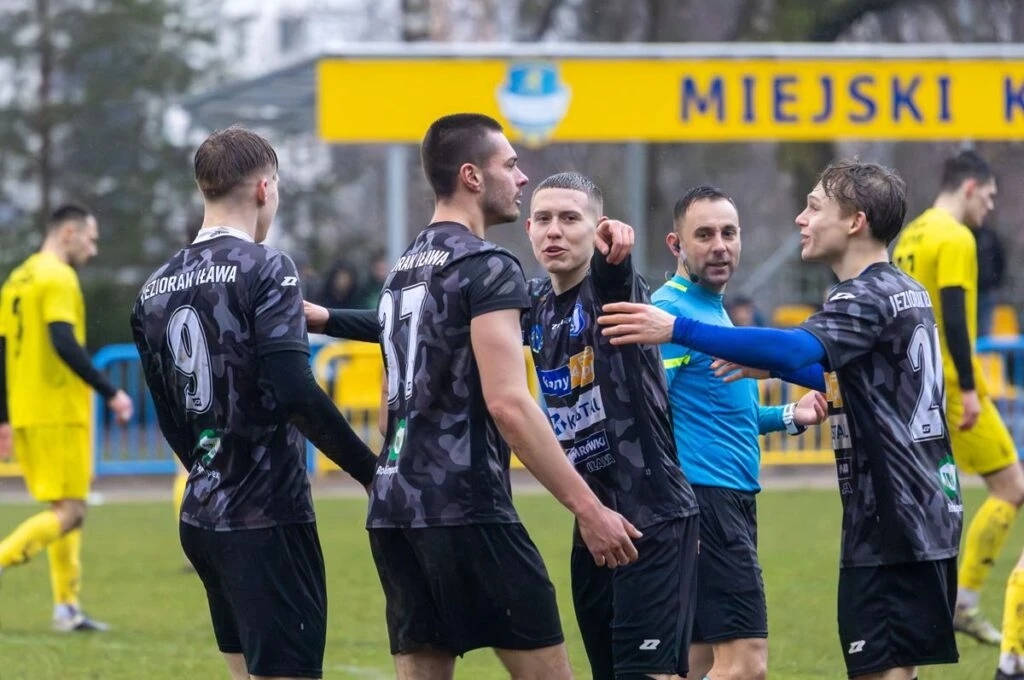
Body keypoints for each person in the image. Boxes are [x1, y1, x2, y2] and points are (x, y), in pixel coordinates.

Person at [598, 158, 963, 680]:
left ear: (855, 221)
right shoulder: (905, 289)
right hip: (913, 506)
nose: (800, 218)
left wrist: (679, 330)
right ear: (676, 245)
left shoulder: (859, 295)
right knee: (721, 661)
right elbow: (865, 381)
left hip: (892, 515)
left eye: (814, 207)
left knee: (846, 668)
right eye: (705, 234)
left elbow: (796, 352)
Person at [312, 113, 640, 680]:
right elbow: (509, 404)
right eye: (509, 165)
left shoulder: (402, 271)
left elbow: (395, 400)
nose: (521, 178)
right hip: (466, 505)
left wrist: (328, 318)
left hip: (393, 512)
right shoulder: (488, 265)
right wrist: (590, 511)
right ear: (471, 176)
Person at [130, 125, 379, 680]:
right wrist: (371, 471)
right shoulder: (267, 266)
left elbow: (171, 418)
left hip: (202, 514)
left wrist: (211, 471)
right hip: (266, 515)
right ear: (265, 188)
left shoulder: (152, 289)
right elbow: (295, 390)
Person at [652, 185, 828, 680]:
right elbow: (650, 415)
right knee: (747, 663)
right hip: (704, 502)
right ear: (676, 245)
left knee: (700, 662)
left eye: (728, 233)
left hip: (727, 497)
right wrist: (677, 511)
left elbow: (724, 413)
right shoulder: (669, 313)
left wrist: (790, 415)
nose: (720, 246)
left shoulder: (714, 310)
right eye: (704, 235)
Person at [892, 150, 1023, 650]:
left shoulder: (912, 234)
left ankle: (919, 605)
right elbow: (953, 314)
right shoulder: (955, 236)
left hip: (913, 386)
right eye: (988, 196)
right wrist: (969, 387)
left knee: (925, 498)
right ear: (970, 188)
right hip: (949, 384)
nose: (989, 207)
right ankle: (962, 603)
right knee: (1011, 486)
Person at [0, 203, 133, 632]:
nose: (93, 250)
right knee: (72, 512)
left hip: (28, 409)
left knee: (65, 507)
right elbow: (63, 341)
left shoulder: (18, 277)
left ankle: (66, 608)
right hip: (58, 409)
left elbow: (3, 349)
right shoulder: (57, 276)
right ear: (69, 233)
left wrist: (4, 416)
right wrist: (110, 391)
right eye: (91, 239)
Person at [974, 224, 1006, 338]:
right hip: (969, 291)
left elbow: (1000, 262)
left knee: (984, 331)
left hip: (986, 292)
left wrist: (994, 283)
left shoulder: (989, 236)